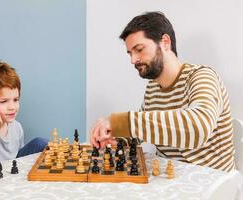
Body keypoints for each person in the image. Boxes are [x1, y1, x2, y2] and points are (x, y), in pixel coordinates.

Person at [90, 11, 234, 172]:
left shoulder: (202, 77)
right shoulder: (153, 87)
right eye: (130, 53)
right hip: (172, 179)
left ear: (165, 42)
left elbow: (198, 128)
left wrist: (119, 121)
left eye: (139, 49)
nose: (133, 60)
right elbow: (142, 130)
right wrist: (115, 138)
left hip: (213, 185)